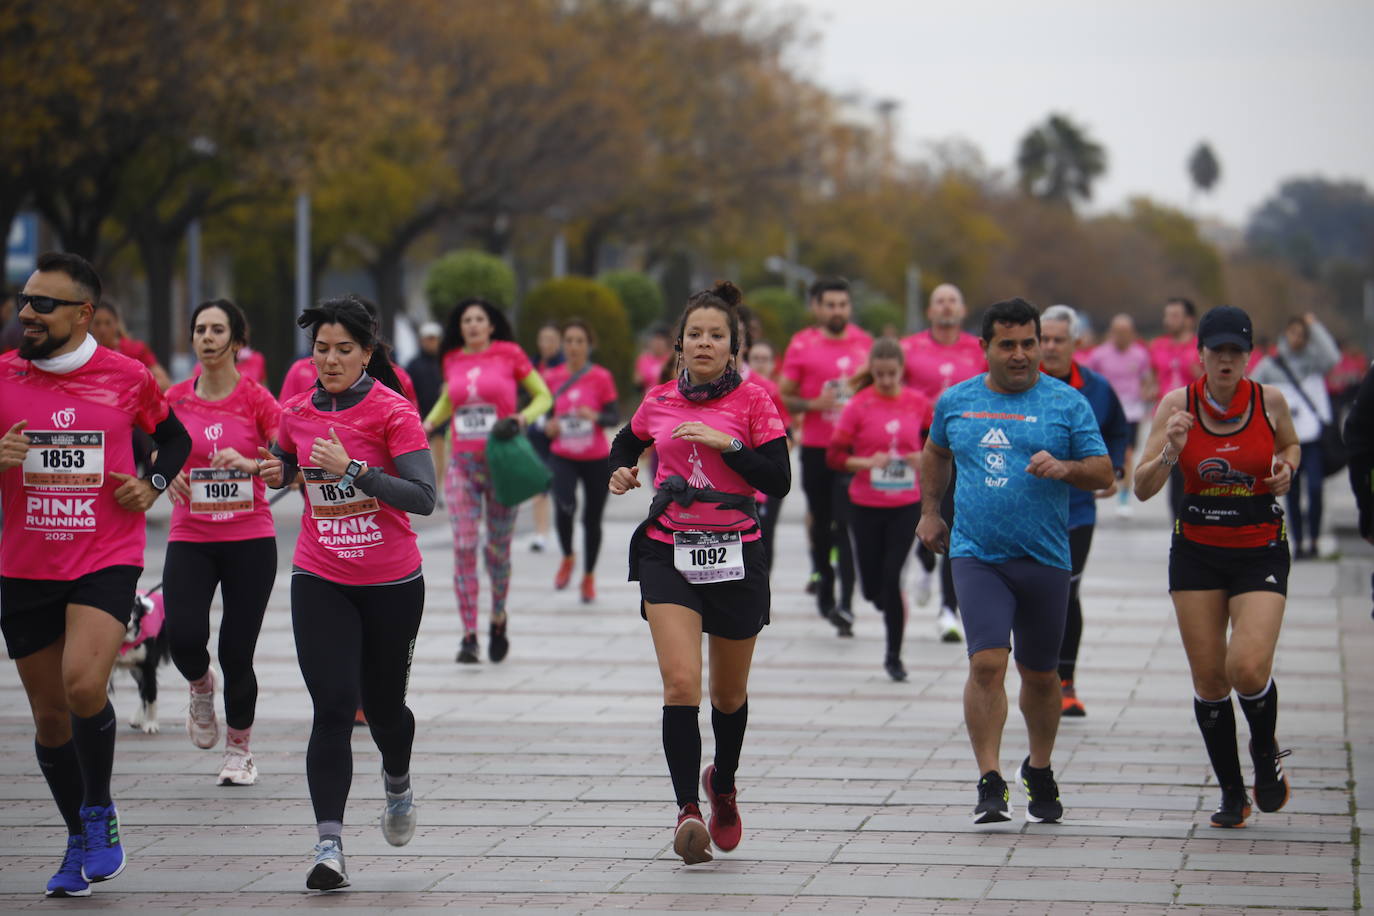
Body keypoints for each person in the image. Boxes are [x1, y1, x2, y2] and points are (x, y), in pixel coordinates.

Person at [0, 252, 191, 897]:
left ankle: (99, 809)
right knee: (50, 718)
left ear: (83, 314)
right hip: (25, 565)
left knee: (85, 686)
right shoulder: (1, 375)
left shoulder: (127, 377)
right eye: (25, 301)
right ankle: (77, 835)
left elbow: (176, 441)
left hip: (104, 555)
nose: (27, 312)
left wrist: (152, 483)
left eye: (42, 304)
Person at [608, 280, 789, 864]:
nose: (704, 343)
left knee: (729, 695)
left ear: (734, 347)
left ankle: (724, 785)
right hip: (669, 553)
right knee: (681, 683)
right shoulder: (658, 400)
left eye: (717, 335)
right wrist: (623, 470)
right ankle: (687, 810)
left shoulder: (756, 402)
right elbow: (625, 441)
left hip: (737, 556)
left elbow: (779, 480)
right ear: (679, 345)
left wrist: (727, 444)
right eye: (695, 335)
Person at [260, 295, 436, 889]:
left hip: (391, 581)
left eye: (342, 350)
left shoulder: (393, 413)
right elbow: (287, 463)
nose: (329, 360)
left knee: (384, 708)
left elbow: (423, 497)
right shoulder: (294, 412)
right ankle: (329, 846)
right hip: (320, 575)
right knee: (333, 706)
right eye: (320, 349)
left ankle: (397, 780)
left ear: (366, 353)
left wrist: (355, 471)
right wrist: (274, 471)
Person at [917, 297, 1111, 825]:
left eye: (1030, 343)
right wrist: (931, 511)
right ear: (985, 349)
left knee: (1041, 674)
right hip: (977, 555)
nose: (1023, 354)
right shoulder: (956, 402)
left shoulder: (1067, 403)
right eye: (1009, 345)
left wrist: (1068, 468)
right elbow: (934, 452)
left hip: (1046, 556)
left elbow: (1105, 473)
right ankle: (990, 780)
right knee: (986, 662)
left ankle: (1040, 768)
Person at [1133, 305, 1300, 829]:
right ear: (1200, 353)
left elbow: (1290, 444)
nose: (1226, 360)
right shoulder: (1176, 405)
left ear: (1249, 356)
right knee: (1210, 681)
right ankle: (1233, 792)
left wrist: (1287, 470)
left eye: (1236, 351)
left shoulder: (1268, 401)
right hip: (1198, 550)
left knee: (1245, 667)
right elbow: (1140, 487)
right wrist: (1170, 453)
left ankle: (1265, 748)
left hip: (1259, 547)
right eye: (1217, 351)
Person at [162, 300, 281, 785]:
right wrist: (163, 475)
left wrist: (253, 465)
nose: (207, 338)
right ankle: (199, 685)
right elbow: (152, 450)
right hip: (191, 533)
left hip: (250, 537)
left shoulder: (257, 399)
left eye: (217, 330)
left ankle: (239, 751)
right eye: (199, 330)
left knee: (237, 650)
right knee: (184, 636)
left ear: (236, 340)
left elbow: (283, 466)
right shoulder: (172, 399)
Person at [424, 298, 552, 663]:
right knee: (464, 544)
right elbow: (450, 401)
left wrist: (522, 419)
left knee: (496, 551)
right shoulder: (452, 359)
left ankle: (497, 616)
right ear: (461, 327)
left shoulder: (510, 354)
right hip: (461, 464)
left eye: (480, 319)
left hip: (502, 462)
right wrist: (429, 423)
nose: (474, 325)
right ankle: (468, 636)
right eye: (467, 320)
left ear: (491, 325)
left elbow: (544, 396)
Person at [1039, 306, 1129, 717]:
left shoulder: (1096, 388)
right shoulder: (1021, 386)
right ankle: (1036, 677)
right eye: (1044, 338)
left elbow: (1117, 429)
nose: (1050, 346)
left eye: (1059, 339)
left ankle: (1066, 682)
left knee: (1066, 592)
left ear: (1078, 344)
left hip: (1076, 510)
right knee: (1036, 596)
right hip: (1027, 510)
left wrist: (1114, 469)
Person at [827, 338, 932, 681]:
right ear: (872, 370)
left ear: (902, 371)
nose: (886, 380)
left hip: (905, 505)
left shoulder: (918, 403)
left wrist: (923, 457)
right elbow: (836, 457)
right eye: (880, 373)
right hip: (865, 505)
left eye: (892, 374)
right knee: (872, 587)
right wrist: (866, 462)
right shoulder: (858, 405)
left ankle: (894, 656)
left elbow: (938, 446)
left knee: (892, 577)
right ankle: (885, 604)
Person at [779, 277, 871, 633]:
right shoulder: (802, 345)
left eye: (842, 305)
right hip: (817, 448)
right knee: (821, 523)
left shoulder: (865, 344)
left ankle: (846, 604)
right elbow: (784, 395)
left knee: (846, 525)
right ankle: (825, 586)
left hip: (852, 450)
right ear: (817, 307)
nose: (837, 311)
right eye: (830, 305)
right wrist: (814, 404)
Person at [900, 283, 986, 642]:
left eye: (953, 300)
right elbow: (894, 395)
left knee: (955, 523)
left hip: (965, 451)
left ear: (962, 309)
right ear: (930, 311)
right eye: (940, 301)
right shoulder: (910, 348)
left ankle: (949, 608)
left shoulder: (977, 350)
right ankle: (922, 560)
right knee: (923, 514)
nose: (946, 307)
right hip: (920, 448)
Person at [1251, 314, 1340, 559]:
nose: (1296, 339)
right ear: (1285, 334)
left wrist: (1316, 326)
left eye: (1302, 335)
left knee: (1315, 488)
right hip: (1286, 439)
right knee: (1291, 490)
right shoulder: (1272, 364)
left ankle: (1313, 538)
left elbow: (1333, 357)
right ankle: (1298, 540)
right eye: (1293, 333)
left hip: (1311, 439)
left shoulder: (1314, 361)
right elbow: (1252, 387)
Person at [542, 319, 618, 602]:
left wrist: (595, 416)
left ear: (589, 346)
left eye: (579, 341)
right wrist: (547, 426)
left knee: (592, 519)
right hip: (562, 455)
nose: (574, 346)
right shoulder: (551, 377)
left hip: (596, 457)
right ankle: (568, 556)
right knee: (564, 506)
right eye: (569, 341)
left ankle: (588, 576)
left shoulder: (601, 377)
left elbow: (612, 416)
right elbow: (541, 414)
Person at [1084, 313, 1155, 518]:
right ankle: (1095, 487)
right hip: (1104, 410)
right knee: (1097, 451)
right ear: (1111, 333)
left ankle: (1124, 496)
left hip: (1131, 412)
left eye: (1125, 332)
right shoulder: (1099, 355)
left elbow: (1147, 378)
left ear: (1132, 333)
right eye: (1117, 332)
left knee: (1128, 454)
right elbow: (1088, 379)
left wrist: (1147, 390)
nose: (1121, 336)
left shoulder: (1140, 355)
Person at [1149, 297, 1203, 518]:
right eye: (1166, 315)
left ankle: (1194, 522)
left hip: (1195, 421)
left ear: (1189, 320)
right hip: (1165, 420)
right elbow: (1152, 378)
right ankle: (1178, 527)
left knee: (1190, 476)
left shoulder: (1202, 348)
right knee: (1170, 474)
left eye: (1174, 316)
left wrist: (1199, 374)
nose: (1168, 320)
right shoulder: (1158, 346)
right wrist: (1150, 389)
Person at [744, 338, 790, 573]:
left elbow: (787, 431)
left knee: (766, 531)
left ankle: (763, 587)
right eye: (756, 359)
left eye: (765, 360)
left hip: (769, 472)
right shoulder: (738, 389)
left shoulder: (773, 391)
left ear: (774, 365)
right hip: (744, 472)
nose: (760, 364)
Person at [526, 322, 564, 553]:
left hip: (561, 432)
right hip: (535, 432)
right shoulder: (531, 366)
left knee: (559, 483)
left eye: (551, 340)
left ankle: (562, 527)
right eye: (543, 340)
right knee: (539, 483)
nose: (546, 345)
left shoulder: (566, 367)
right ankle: (540, 533)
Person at [90, 300, 172, 390]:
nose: (102, 329)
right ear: (90, 325)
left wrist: (132, 388)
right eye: (97, 323)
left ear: (117, 323)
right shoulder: (87, 355)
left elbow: (164, 382)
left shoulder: (135, 349)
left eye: (107, 323)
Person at [406, 322, 447, 498]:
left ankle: (439, 489)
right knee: (423, 458)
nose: (432, 342)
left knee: (441, 456)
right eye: (428, 339)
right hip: (419, 418)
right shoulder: (413, 365)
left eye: (434, 339)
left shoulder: (445, 363)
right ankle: (427, 488)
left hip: (441, 418)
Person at [635, 325, 672, 394]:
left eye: (661, 340)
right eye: (655, 339)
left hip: (668, 399)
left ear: (667, 342)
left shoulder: (671, 359)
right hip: (649, 399)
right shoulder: (643, 359)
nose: (657, 343)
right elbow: (638, 383)